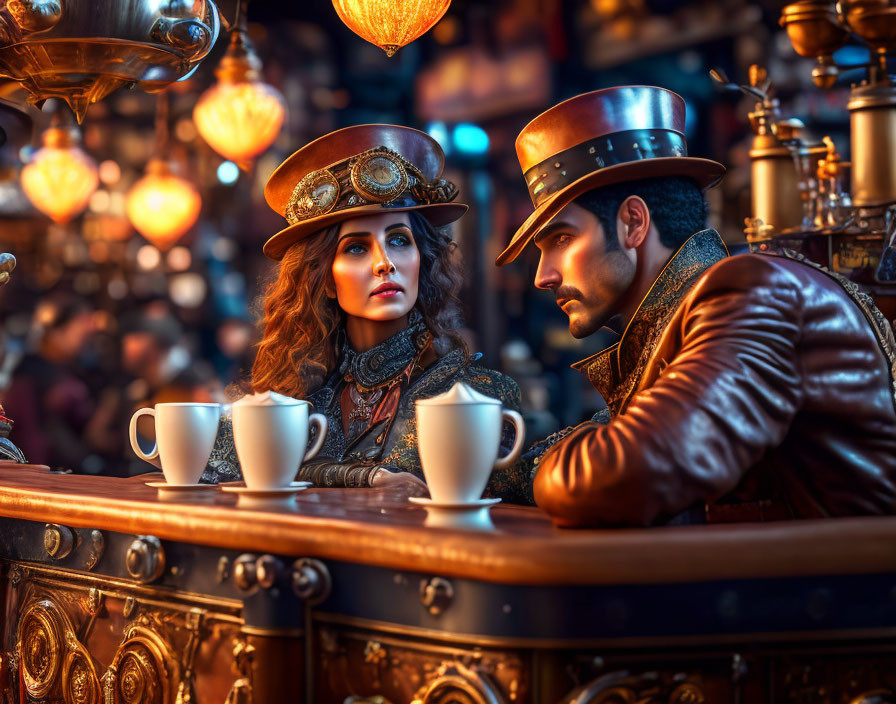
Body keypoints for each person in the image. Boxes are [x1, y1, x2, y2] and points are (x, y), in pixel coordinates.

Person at [498, 86, 896, 527]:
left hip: (845, 591)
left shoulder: (748, 289)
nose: (542, 275)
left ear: (633, 222)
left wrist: (550, 461)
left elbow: (623, 476)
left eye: (562, 239)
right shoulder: (687, 319)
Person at [205, 124, 523, 496]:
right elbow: (218, 462)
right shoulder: (303, 394)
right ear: (324, 278)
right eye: (356, 247)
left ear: (424, 259)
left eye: (400, 240)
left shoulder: (471, 394)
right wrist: (361, 477)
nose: (384, 263)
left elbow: (414, 473)